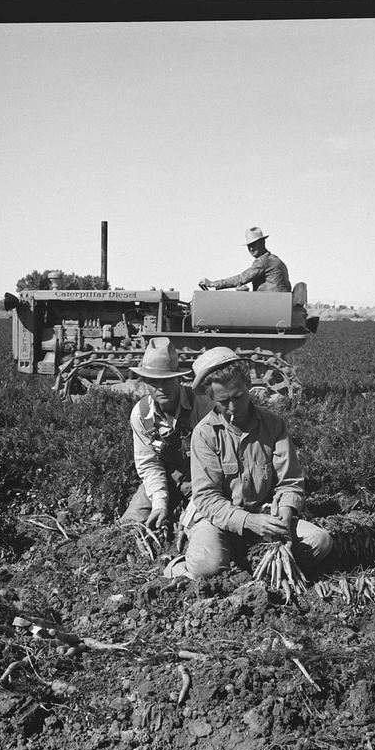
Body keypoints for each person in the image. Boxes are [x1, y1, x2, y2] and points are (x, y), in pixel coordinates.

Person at [176, 347, 333, 579]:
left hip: (264, 514)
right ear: (210, 397)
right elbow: (207, 499)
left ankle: (250, 559)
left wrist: (285, 513)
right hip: (218, 519)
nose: (232, 408)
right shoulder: (205, 434)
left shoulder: (274, 425)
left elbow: (289, 482)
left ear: (248, 384)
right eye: (223, 401)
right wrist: (248, 521)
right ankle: (180, 565)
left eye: (238, 397)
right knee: (206, 569)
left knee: (320, 542)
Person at [120, 337, 214, 530]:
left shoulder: (202, 405)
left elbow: (217, 463)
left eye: (167, 381)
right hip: (168, 477)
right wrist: (160, 503)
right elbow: (149, 465)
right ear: (145, 382)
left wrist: (197, 505)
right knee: (132, 525)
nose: (161, 388)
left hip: (205, 479)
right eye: (154, 382)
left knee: (197, 528)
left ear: (179, 379)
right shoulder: (141, 414)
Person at [199, 226, 292, 293]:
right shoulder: (275, 259)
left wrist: (213, 284)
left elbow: (241, 278)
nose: (251, 248)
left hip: (270, 306)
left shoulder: (262, 261)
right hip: (277, 304)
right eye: (249, 245)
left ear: (262, 242)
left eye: (254, 244)